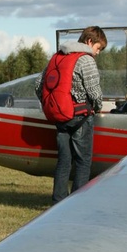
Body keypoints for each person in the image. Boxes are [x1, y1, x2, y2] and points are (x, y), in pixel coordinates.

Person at [36, 26, 107, 203]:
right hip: (81, 118)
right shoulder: (86, 60)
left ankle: (58, 203)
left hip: (60, 117)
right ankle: (77, 204)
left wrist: (52, 105)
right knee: (83, 162)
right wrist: (98, 107)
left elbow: (38, 84)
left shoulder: (58, 56)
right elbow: (94, 92)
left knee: (64, 161)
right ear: (89, 41)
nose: (97, 53)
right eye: (98, 48)